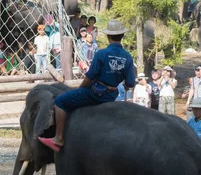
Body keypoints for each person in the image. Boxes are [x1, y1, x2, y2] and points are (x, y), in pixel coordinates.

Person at [39, 20, 136, 151]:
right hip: (112, 95)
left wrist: (81, 89)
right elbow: (130, 83)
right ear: (122, 36)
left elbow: (90, 76)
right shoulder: (128, 57)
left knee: (59, 102)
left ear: (108, 36)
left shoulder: (102, 54)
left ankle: (59, 138)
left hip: (96, 94)